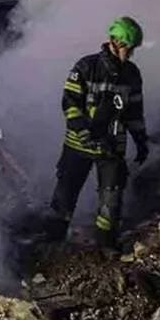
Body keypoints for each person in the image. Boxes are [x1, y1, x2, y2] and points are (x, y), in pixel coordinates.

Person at [47, 16, 151, 248]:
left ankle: (105, 247)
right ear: (115, 42)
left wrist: (141, 141)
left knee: (111, 199)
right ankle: (51, 247)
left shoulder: (132, 74)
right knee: (65, 195)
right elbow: (70, 103)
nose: (130, 53)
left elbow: (134, 112)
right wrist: (83, 132)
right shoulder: (86, 66)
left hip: (112, 148)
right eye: (128, 48)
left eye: (132, 49)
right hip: (78, 146)